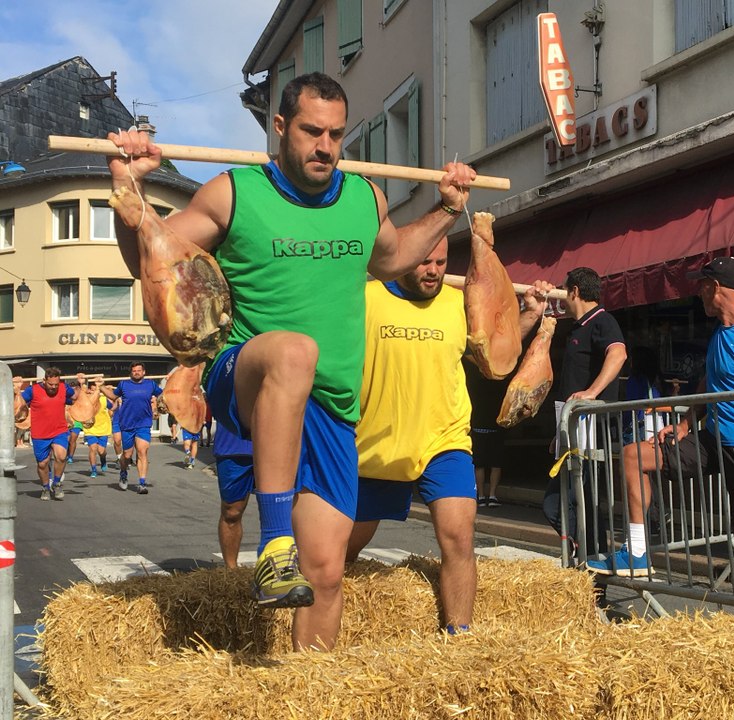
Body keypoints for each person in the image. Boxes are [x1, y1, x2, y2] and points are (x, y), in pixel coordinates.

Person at [106, 71, 476, 651]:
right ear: (280, 127)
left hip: (330, 406)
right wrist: (129, 189)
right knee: (295, 350)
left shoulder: (364, 197)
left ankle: (312, 691)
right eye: (311, 131)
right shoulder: (233, 192)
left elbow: (393, 256)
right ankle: (274, 542)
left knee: (327, 573)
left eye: (335, 134)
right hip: (246, 376)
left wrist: (447, 209)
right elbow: (150, 261)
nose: (325, 146)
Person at [347, 238, 551, 634]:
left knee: (459, 539)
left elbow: (493, 358)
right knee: (344, 551)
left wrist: (527, 317)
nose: (434, 270)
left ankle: (460, 636)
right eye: (424, 262)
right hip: (377, 445)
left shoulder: (458, 304)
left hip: (446, 441)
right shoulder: (365, 298)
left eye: (441, 262)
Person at [592, 257, 734, 617]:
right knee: (635, 455)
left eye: (701, 286)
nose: (697, 293)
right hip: (713, 438)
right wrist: (684, 425)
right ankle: (635, 551)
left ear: (715, 288)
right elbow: (707, 384)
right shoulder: (721, 332)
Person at [543, 267, 627, 559]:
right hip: (573, 432)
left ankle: (590, 566)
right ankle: (584, 563)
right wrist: (560, 434)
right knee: (564, 503)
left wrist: (592, 392)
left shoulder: (602, 320)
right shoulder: (579, 327)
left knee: (581, 502)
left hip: (592, 431)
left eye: (565, 291)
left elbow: (618, 354)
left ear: (575, 291)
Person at [609, 346, 668, 576]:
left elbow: (637, 405)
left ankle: (642, 527)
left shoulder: (637, 380)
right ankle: (652, 520)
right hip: (655, 430)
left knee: (635, 481)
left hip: (638, 431)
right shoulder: (656, 380)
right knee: (647, 481)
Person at [100, 362, 163, 495]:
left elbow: (163, 395)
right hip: (127, 425)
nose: (136, 372)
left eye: (138, 370)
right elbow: (112, 396)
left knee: (142, 452)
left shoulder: (151, 384)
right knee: (127, 455)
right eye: (134, 371)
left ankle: (142, 483)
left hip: (144, 424)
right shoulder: (124, 384)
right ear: (131, 373)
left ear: (143, 372)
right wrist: (101, 386)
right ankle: (123, 472)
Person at [20, 368, 77, 501]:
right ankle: (45, 487)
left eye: (56, 384)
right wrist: (17, 389)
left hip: (59, 430)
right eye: (51, 384)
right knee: (42, 464)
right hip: (40, 433)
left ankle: (56, 483)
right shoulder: (32, 390)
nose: (53, 387)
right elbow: (19, 405)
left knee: (61, 456)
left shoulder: (64, 388)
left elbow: (75, 396)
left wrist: (81, 382)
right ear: (44, 380)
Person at [464, 360, 509, 508]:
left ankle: (481, 495)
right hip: (497, 428)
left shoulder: (474, 385)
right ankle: (493, 495)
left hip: (478, 427)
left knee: (479, 464)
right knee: (496, 463)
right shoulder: (502, 386)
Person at [213, 425, 255, 569]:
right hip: (233, 444)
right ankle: (231, 573)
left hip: (277, 443)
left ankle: (282, 570)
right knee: (231, 512)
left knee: (278, 510)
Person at [84, 379, 114, 478]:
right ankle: (93, 469)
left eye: (97, 389)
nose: (95, 392)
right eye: (92, 390)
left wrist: (115, 401)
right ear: (89, 390)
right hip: (90, 429)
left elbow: (113, 408)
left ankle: (103, 460)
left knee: (101, 451)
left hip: (103, 428)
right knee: (93, 449)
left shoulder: (103, 399)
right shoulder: (87, 400)